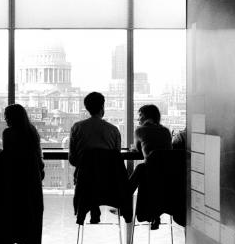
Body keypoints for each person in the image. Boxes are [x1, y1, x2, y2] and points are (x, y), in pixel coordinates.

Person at [0, 104, 44, 244]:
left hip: (12, 181)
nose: (5, 120)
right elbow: (36, 155)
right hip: (30, 180)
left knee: (6, 212)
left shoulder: (8, 133)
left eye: (7, 117)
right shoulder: (32, 131)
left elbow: (9, 155)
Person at [68, 92, 122, 223]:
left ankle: (92, 209)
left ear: (87, 108)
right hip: (109, 183)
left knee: (89, 176)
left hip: (85, 182)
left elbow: (73, 160)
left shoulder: (77, 127)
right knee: (98, 176)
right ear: (102, 107)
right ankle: (94, 209)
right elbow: (116, 159)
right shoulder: (114, 130)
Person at [128, 104, 172, 229]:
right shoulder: (165, 131)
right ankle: (155, 214)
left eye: (140, 115)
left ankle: (124, 199)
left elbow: (138, 150)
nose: (138, 119)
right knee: (143, 169)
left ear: (146, 116)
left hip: (150, 172)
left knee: (141, 168)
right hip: (167, 174)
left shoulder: (140, 131)